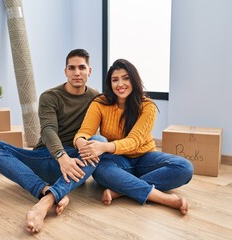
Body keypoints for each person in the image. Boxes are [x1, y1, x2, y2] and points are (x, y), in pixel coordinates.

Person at [0, 49, 100, 234]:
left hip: (75, 160)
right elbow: (48, 130)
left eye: (82, 67)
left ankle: (48, 200)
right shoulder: (50, 96)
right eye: (72, 68)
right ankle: (44, 189)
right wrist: (61, 157)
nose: (77, 72)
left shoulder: (96, 97)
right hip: (45, 157)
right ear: (65, 71)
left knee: (100, 141)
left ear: (89, 71)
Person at [74, 58, 193, 215]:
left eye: (125, 78)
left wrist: (105, 146)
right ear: (110, 84)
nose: (120, 84)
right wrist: (81, 142)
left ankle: (122, 190)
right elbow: (84, 131)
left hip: (144, 157)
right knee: (99, 169)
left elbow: (134, 141)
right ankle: (156, 195)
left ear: (134, 79)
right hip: (117, 160)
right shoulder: (100, 103)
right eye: (115, 80)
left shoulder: (147, 106)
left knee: (184, 168)